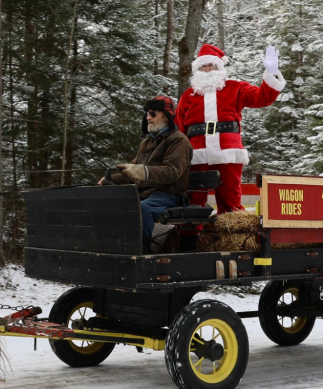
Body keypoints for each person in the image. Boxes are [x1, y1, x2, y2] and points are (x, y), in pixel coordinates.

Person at [174, 43, 285, 214]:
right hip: (198, 152)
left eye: (212, 65)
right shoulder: (188, 95)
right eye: (204, 65)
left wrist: (271, 73)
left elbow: (262, 98)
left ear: (219, 67)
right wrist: (181, 155)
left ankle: (231, 238)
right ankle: (190, 237)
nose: (208, 69)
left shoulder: (236, 87)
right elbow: (180, 127)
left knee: (230, 200)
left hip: (228, 151)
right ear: (198, 69)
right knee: (193, 200)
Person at [100, 96, 192, 252]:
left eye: (153, 113)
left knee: (142, 208)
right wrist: (110, 180)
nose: (148, 117)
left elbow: (172, 172)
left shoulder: (179, 141)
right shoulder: (147, 142)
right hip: (145, 193)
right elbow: (132, 171)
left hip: (168, 194)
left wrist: (143, 172)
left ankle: (143, 250)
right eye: (147, 114)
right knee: (115, 204)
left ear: (167, 115)